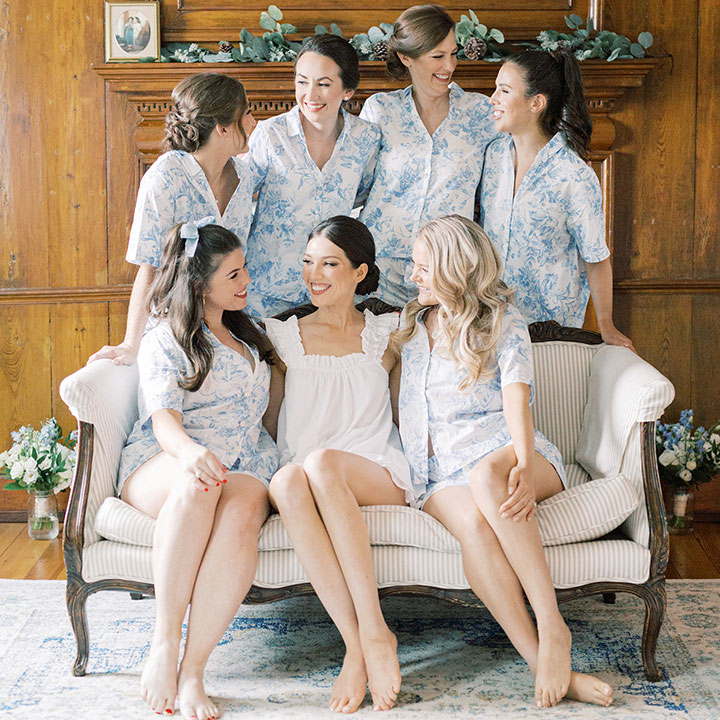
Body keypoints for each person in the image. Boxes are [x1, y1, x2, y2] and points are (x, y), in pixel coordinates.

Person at [395, 215, 614, 708]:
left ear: (454, 268)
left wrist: (519, 459)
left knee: (486, 477)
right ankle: (543, 661)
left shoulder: (502, 320)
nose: (413, 276)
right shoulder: (410, 326)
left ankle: (553, 623)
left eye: (422, 267)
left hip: (512, 451)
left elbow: (518, 400)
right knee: (473, 523)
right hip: (438, 474)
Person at [117, 221, 278, 720]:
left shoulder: (248, 333)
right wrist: (189, 454)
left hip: (245, 462)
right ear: (198, 283)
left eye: (244, 268)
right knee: (199, 482)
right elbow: (164, 422)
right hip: (165, 459)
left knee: (242, 509)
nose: (246, 280)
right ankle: (163, 644)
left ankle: (193, 671)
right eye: (233, 274)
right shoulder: (165, 337)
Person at [264, 216, 415, 713]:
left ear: (359, 272)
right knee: (288, 479)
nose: (315, 274)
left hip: (375, 468)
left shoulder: (389, 333)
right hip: (308, 476)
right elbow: (268, 422)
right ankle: (359, 642)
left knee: (322, 462)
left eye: (329, 263)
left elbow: (407, 412)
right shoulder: (283, 337)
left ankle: (374, 630)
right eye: (308, 263)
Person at [89, 72, 257, 365]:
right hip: (176, 326)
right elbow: (149, 266)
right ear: (222, 128)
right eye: (247, 114)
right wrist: (131, 343)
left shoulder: (245, 177)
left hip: (227, 322)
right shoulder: (165, 178)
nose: (254, 123)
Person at [479, 49, 634, 349]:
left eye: (504, 90)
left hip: (548, 335)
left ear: (536, 103)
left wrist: (606, 325)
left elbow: (596, 257)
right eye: (495, 88)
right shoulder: (493, 156)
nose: (492, 99)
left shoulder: (573, 175)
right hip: (490, 326)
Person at [358, 4, 500, 306]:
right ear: (405, 57)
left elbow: (494, 196)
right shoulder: (381, 110)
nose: (449, 65)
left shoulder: (481, 113)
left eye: (453, 53)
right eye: (438, 56)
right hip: (380, 271)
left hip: (451, 271)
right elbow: (357, 188)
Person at [241, 35, 381, 318]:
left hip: (328, 293)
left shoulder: (366, 138)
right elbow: (239, 203)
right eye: (302, 82)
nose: (310, 95)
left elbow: (362, 195)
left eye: (324, 84)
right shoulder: (271, 135)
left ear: (348, 91)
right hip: (264, 292)